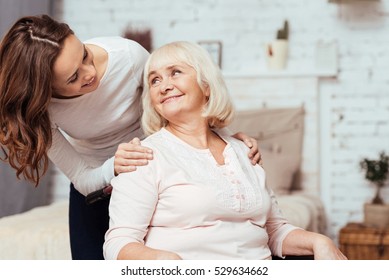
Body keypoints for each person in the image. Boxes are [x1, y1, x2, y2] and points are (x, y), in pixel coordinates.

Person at [0, 15, 260, 260]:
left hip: (152, 173)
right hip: (95, 184)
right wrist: (114, 165)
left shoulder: (127, 57)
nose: (89, 72)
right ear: (45, 90)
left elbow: (172, 106)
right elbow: (82, 177)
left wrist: (225, 143)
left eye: (85, 55)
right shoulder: (38, 111)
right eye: (73, 78)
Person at [103, 41, 347, 260]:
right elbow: (118, 243)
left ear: (206, 86)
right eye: (154, 80)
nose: (164, 86)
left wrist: (319, 241)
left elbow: (274, 230)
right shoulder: (144, 155)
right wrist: (163, 262)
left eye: (175, 72)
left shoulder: (244, 151)